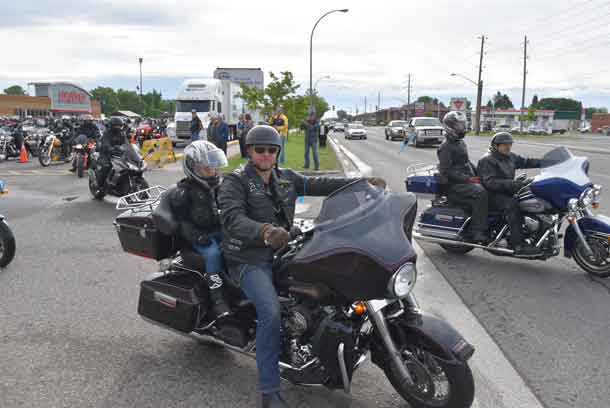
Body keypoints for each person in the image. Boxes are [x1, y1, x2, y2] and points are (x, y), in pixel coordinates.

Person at [217, 125, 385, 408]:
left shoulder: (286, 178)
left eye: (272, 150)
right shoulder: (235, 182)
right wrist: (265, 232)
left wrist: (361, 184)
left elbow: (322, 184)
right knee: (270, 313)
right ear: (249, 151)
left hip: (284, 249)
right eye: (260, 149)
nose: (267, 154)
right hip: (248, 258)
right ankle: (270, 392)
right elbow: (233, 219)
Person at [168, 140, 230, 318]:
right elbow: (183, 223)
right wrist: (197, 237)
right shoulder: (183, 193)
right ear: (192, 169)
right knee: (213, 255)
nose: (212, 171)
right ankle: (218, 299)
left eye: (213, 167)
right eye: (206, 168)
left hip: (218, 229)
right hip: (201, 236)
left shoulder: (216, 187)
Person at [477, 132, 542, 255]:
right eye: (504, 144)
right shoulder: (487, 160)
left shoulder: (509, 156)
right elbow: (490, 182)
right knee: (512, 205)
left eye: (509, 144)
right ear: (496, 146)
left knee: (529, 198)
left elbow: (526, 162)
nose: (508, 147)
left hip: (506, 191)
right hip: (491, 194)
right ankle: (518, 244)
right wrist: (514, 184)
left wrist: (547, 162)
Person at [437, 111, 488, 244]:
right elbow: (446, 171)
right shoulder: (446, 147)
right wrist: (469, 179)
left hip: (464, 181)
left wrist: (481, 173)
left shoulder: (460, 143)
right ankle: (477, 231)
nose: (462, 128)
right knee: (481, 193)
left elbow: (466, 162)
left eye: (463, 125)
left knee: (490, 185)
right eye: (459, 125)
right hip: (453, 187)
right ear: (450, 127)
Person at [94, 117, 128, 191]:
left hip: (118, 154)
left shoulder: (122, 134)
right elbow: (106, 143)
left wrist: (129, 149)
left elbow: (126, 143)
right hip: (106, 154)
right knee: (106, 166)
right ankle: (100, 185)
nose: (118, 127)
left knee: (127, 166)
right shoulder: (107, 133)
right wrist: (110, 148)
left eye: (120, 125)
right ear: (111, 125)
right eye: (116, 125)